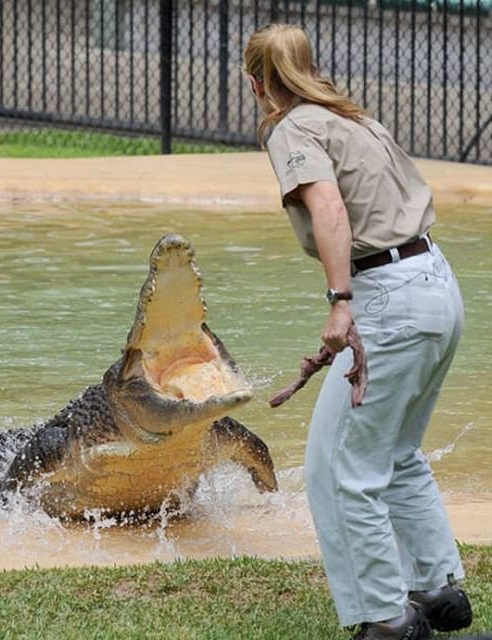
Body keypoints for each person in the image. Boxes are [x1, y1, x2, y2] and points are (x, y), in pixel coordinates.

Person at [243, 23, 473, 640]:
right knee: (396, 453)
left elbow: (329, 209)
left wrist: (342, 302)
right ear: (306, 66)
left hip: (387, 298)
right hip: (436, 285)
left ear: (256, 82)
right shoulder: (353, 117)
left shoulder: (292, 126)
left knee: (341, 470)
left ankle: (388, 619)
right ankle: (436, 589)